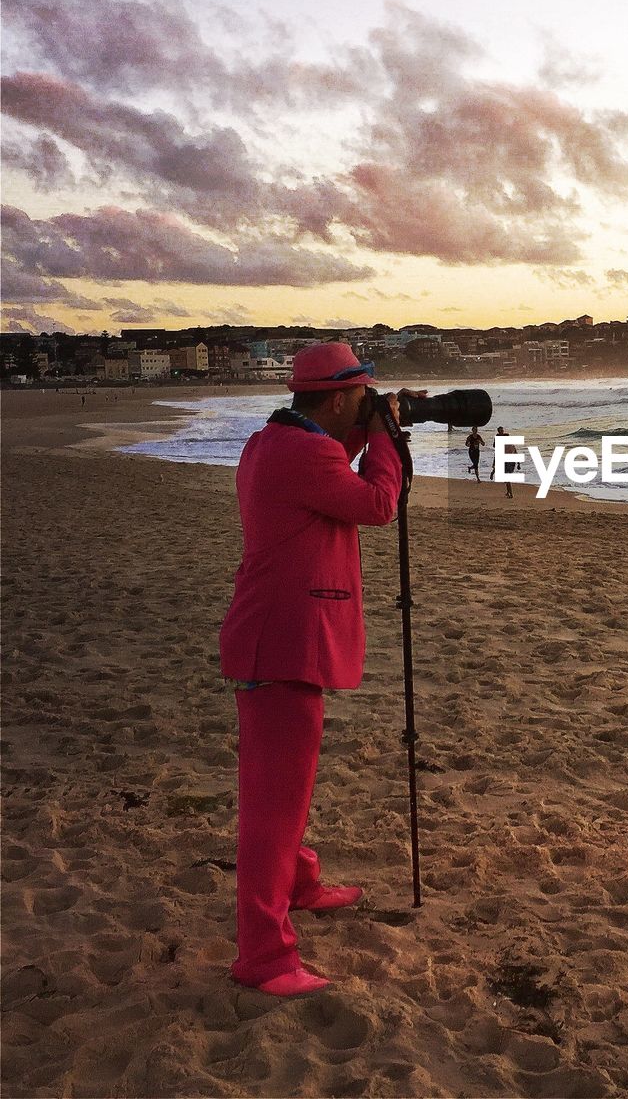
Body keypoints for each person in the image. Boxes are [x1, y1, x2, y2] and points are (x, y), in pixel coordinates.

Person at [219, 342, 404, 998]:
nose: (367, 407)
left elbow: (333, 472)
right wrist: (385, 437)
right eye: (360, 399)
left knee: (283, 788)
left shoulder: (272, 443)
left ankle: (298, 884)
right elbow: (378, 503)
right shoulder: (304, 453)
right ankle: (264, 958)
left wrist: (365, 427)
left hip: (272, 638)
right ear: (335, 399)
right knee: (272, 806)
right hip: (281, 647)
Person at [490, 425, 516, 498]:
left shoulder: (507, 437)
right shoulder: (497, 437)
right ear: (498, 431)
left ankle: (511, 494)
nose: (501, 432)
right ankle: (508, 492)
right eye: (500, 431)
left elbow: (514, 449)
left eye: (502, 430)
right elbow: (494, 446)